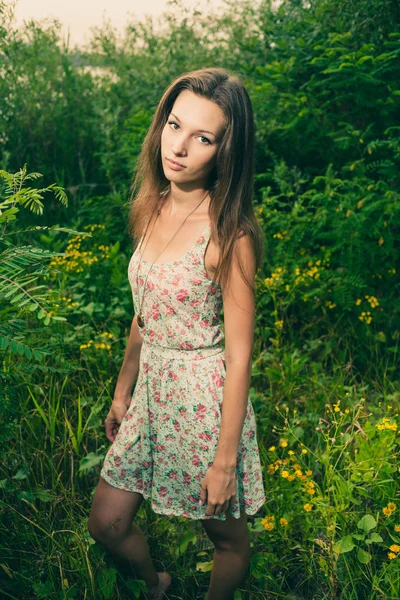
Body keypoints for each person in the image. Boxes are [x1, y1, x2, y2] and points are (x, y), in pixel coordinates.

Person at [88, 67, 266, 600]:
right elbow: (144, 314)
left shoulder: (229, 235)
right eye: (174, 125)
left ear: (225, 152)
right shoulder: (153, 205)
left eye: (203, 137)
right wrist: (122, 394)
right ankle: (155, 584)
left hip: (203, 403)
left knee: (226, 537)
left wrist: (225, 461)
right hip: (150, 394)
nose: (180, 147)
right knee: (108, 523)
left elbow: (239, 359)